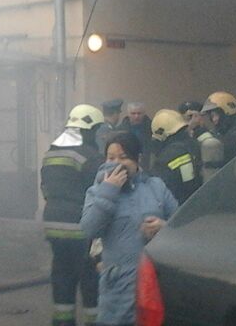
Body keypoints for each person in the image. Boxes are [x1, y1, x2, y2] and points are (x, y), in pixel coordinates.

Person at [80, 132, 178, 326]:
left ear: (138, 159)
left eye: (123, 157)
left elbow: (180, 222)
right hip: (118, 283)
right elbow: (89, 229)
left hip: (154, 280)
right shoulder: (97, 191)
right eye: (111, 157)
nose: (116, 163)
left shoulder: (155, 186)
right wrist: (109, 190)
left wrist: (163, 227)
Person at [41, 104, 104, 326]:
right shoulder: (90, 156)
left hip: (53, 224)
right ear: (89, 129)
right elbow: (100, 192)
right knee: (89, 279)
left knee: (62, 276)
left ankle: (62, 321)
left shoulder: (51, 153)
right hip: (80, 226)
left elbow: (45, 189)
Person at [151, 109, 202, 205]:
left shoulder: (165, 159)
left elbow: (159, 191)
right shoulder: (194, 145)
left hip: (177, 208)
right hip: (196, 202)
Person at [178, 101, 223, 182]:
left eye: (194, 116)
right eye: (188, 117)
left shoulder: (210, 136)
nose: (192, 119)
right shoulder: (182, 137)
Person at [201, 91, 236, 164]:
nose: (214, 120)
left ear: (227, 111)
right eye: (211, 116)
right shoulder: (222, 133)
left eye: (216, 115)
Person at [119, 102, 153, 170]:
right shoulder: (120, 130)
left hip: (147, 163)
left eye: (139, 113)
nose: (136, 116)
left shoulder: (152, 128)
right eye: (133, 113)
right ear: (128, 114)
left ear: (144, 113)